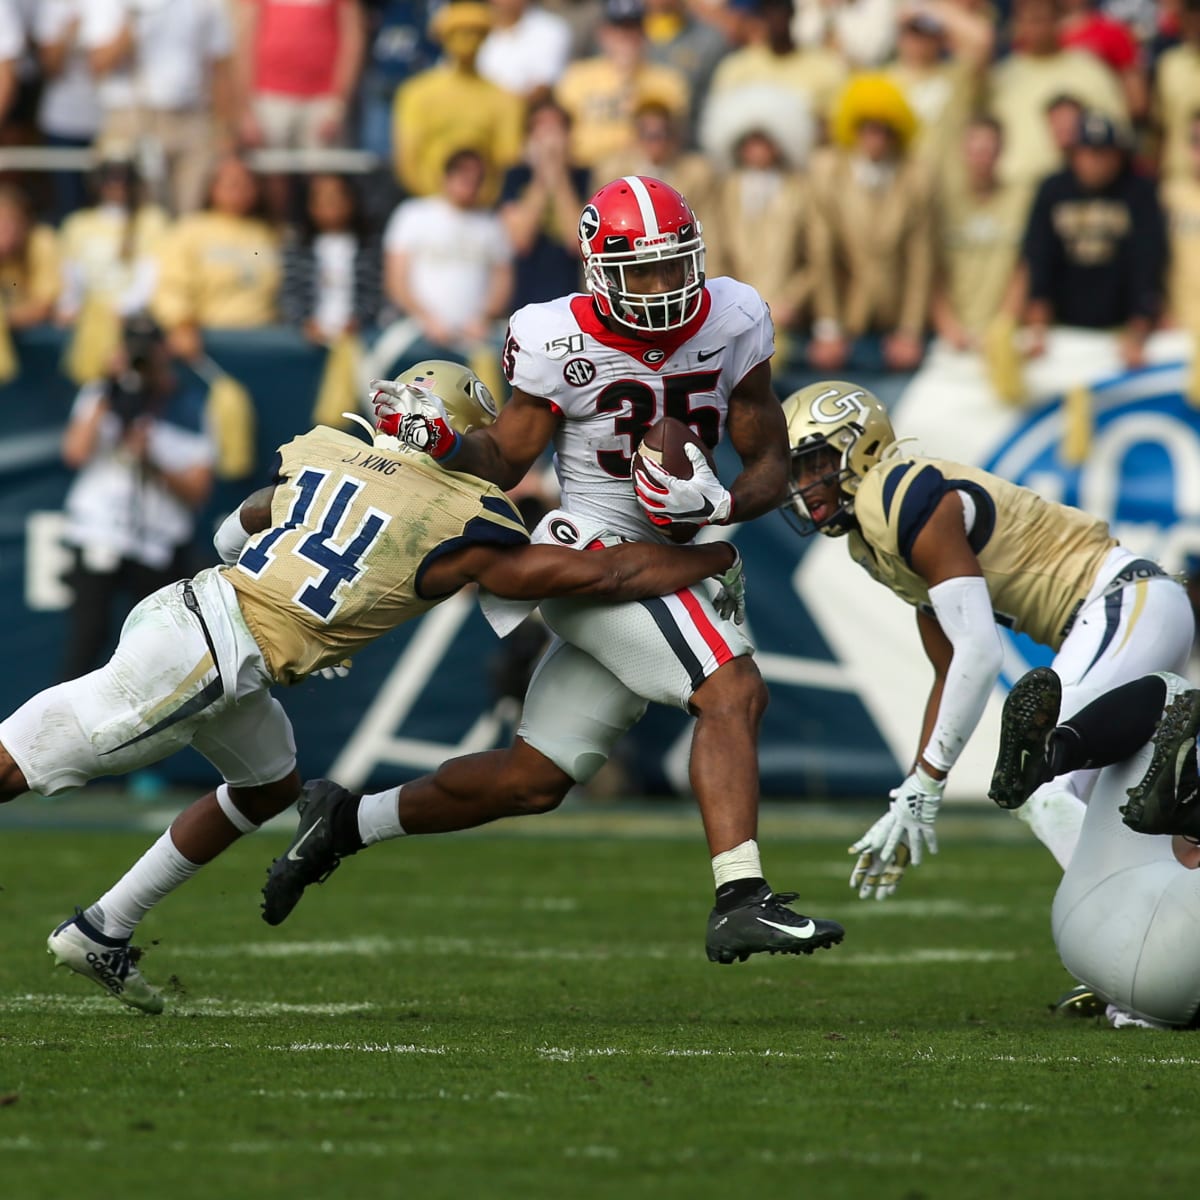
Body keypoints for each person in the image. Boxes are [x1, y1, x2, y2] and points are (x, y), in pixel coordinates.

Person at [0, 360, 746, 1014]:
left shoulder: (330, 451)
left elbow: (252, 517)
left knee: (267, 785)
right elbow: (606, 574)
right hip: (210, 655)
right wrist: (712, 559)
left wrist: (269, 579)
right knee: (21, 759)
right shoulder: (465, 517)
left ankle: (103, 928)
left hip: (197, 611)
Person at [262, 175, 847, 967]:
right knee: (731, 688)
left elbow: (770, 460)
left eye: (675, 267)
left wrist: (720, 502)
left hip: (674, 553)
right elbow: (503, 458)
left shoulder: (736, 316)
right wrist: (442, 445)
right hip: (593, 549)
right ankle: (741, 898)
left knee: (532, 779)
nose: (663, 287)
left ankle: (345, 822)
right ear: (598, 270)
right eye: (641, 272)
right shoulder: (550, 336)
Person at [778, 379, 1194, 899]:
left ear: (859, 446)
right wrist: (912, 790)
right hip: (1128, 614)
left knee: (1039, 778)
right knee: (1118, 811)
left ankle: (1136, 937)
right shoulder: (871, 537)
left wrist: (929, 783)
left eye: (815, 463)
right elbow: (951, 666)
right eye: (797, 471)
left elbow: (979, 652)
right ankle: (1168, 933)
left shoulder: (895, 494)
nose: (804, 484)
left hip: (1123, 603)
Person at [989, 666, 1200, 1028]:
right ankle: (1186, 810)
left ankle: (1056, 754)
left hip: (1086, 926)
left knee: (1171, 693)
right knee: (1175, 701)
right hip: (1178, 959)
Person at [59, 315, 216, 682]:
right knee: (87, 639)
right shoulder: (103, 393)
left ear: (165, 352)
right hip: (99, 532)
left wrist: (153, 462)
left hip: (156, 542)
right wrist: (109, 387)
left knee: (149, 653)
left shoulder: (189, 405)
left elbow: (198, 490)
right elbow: (75, 453)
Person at [1018, 111, 1167, 370]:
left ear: (1118, 156)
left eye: (1102, 153)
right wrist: (1037, 330)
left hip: (1121, 331)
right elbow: (1038, 259)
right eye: (1086, 152)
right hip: (1062, 332)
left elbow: (1147, 264)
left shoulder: (1140, 192)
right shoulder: (1052, 190)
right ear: (1073, 154)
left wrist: (1139, 329)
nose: (1093, 162)